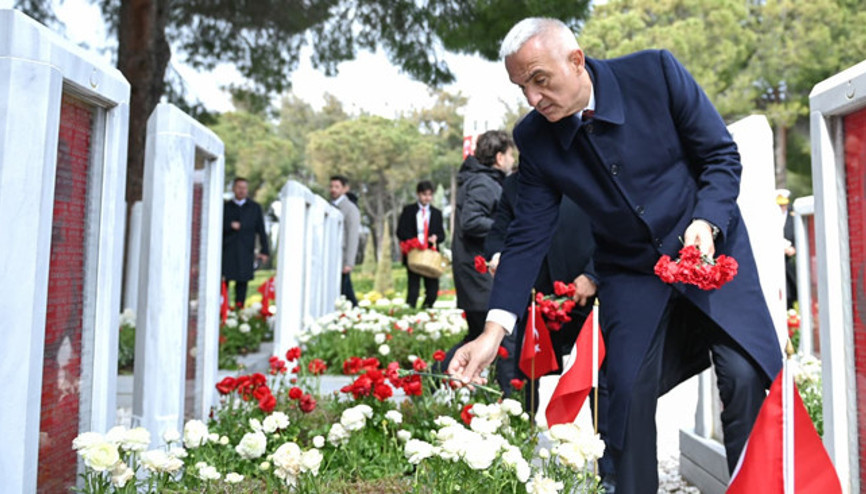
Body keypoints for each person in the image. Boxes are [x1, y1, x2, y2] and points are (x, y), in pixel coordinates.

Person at [448, 18, 783, 494]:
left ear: (576, 61)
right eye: (521, 87)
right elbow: (527, 237)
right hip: (630, 272)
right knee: (622, 394)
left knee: (745, 375)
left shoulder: (657, 73)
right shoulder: (536, 138)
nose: (532, 99)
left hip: (706, 250)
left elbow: (720, 157)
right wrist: (492, 332)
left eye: (540, 80)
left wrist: (705, 222)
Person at [446, 130, 514, 368]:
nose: (512, 160)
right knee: (496, 337)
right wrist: (507, 227)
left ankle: (434, 379)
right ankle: (509, 395)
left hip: (475, 274)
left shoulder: (483, 181)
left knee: (477, 335)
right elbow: (471, 221)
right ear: (499, 157)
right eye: (510, 154)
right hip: (478, 276)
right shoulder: (483, 183)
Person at [397, 180, 446, 309]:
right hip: (414, 253)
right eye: (424, 194)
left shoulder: (436, 213)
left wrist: (435, 238)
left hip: (430, 255)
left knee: (432, 289)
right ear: (418, 194)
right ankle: (410, 311)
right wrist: (413, 241)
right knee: (413, 286)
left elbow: (442, 235)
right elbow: (400, 231)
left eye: (430, 195)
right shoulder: (409, 211)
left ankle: (427, 308)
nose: (427, 198)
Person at [222, 177, 269, 308]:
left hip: (246, 251)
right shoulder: (225, 207)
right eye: (239, 188)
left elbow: (261, 230)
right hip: (227, 251)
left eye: (244, 188)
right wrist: (230, 225)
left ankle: (239, 310)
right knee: (224, 283)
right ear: (233, 189)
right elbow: (217, 227)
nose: (242, 191)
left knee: (242, 282)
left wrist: (264, 251)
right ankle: (223, 311)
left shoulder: (254, 208)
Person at [330, 175, 361, 307]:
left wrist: (349, 262)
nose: (333, 190)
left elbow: (353, 236)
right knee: (344, 291)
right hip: (332, 256)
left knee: (345, 291)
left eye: (337, 187)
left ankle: (356, 313)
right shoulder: (329, 206)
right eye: (331, 186)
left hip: (342, 258)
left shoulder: (350, 208)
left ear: (345, 189)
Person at [777, 189, 798, 310]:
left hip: (789, 261)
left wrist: (794, 249)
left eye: (783, 205)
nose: (781, 207)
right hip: (777, 260)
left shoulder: (793, 217)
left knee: (791, 289)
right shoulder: (771, 217)